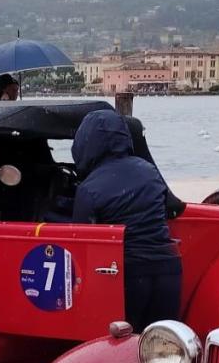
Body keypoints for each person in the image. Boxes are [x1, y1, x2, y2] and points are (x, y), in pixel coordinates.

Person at [71, 109, 181, 330]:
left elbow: (80, 243)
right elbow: (171, 206)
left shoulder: (89, 188)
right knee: (161, 344)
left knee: (124, 344)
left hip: (127, 275)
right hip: (168, 269)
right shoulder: (149, 170)